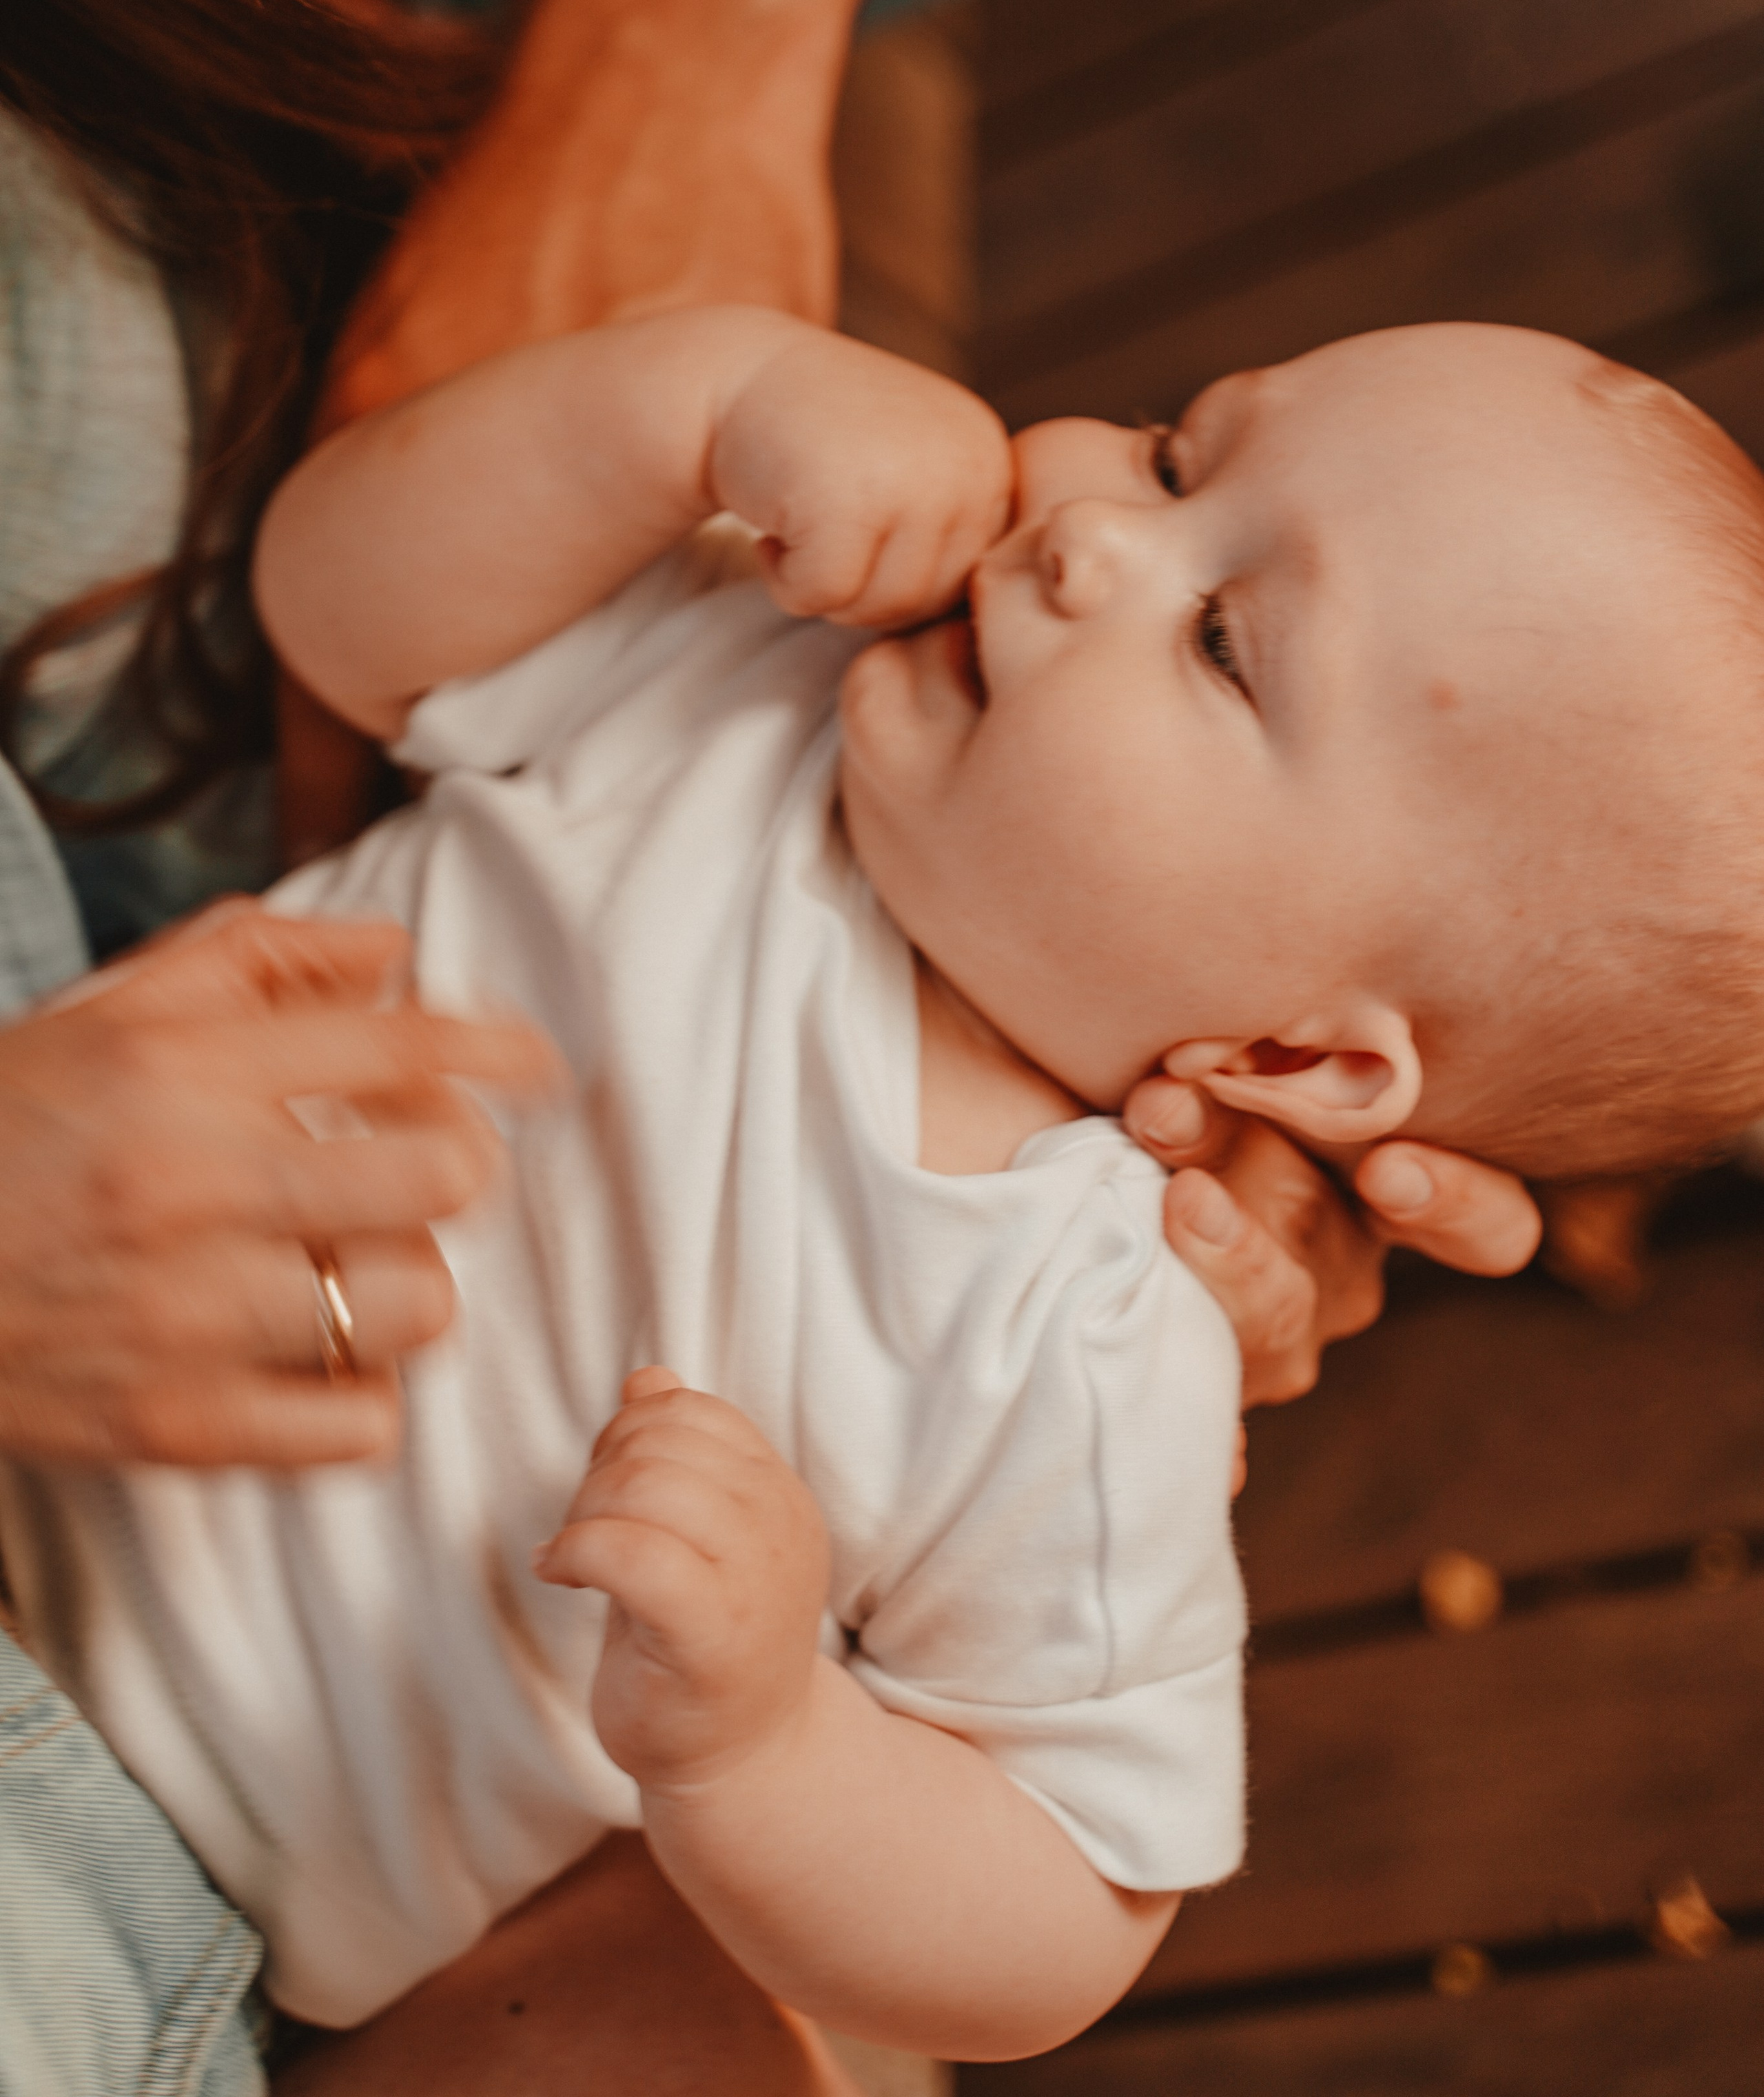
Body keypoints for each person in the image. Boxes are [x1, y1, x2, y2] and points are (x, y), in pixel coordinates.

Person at [12, 307, 1758, 2067]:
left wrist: (768, 1744)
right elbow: (333, 607)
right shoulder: (766, 655)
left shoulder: (1075, 1333)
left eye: (1223, 641)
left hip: (122, 1841)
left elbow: (1067, 1907)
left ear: (1297, 1062)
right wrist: (698, 401)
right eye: (1174, 449)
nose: (1087, 528)